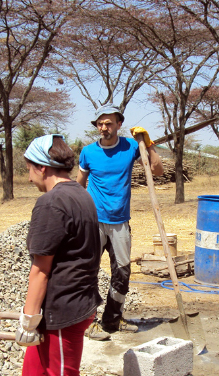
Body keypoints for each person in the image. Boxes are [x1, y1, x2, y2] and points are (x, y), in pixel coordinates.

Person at [0, 135, 149, 376]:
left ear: (41, 166)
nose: (28, 176)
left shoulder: (51, 204)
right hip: (70, 302)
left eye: (28, 169)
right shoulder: (82, 194)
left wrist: (28, 319)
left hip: (63, 308)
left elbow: (40, 269)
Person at [77, 104, 163, 340]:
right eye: (100, 123)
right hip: (93, 222)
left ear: (119, 125)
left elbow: (157, 170)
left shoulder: (131, 147)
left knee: (122, 272)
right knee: (87, 271)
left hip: (120, 222)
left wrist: (149, 143)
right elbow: (79, 185)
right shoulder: (88, 152)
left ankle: (113, 319)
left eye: (109, 123)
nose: (104, 128)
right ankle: (88, 322)